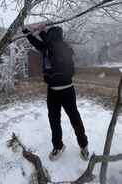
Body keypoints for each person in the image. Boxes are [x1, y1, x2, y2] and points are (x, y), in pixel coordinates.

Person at [23, 24, 89, 161]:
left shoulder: (64, 49)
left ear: (54, 37)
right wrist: (26, 30)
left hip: (67, 91)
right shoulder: (47, 47)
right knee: (54, 120)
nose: (48, 39)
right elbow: (36, 41)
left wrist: (39, 32)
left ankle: (83, 145)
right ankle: (58, 146)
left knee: (74, 118)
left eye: (49, 36)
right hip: (52, 91)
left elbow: (46, 45)